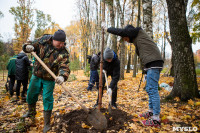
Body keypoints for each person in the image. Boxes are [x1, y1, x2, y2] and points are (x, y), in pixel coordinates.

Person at [104, 24, 164, 127]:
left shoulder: (136, 32)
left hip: (154, 62)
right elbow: (143, 55)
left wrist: (107, 29)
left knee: (153, 89)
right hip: (151, 63)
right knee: (149, 89)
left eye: (125, 38)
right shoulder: (138, 40)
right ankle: (151, 111)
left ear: (128, 34)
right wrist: (145, 71)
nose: (125, 40)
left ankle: (156, 118)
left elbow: (121, 32)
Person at [22, 29, 70, 133]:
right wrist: (27, 47)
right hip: (37, 74)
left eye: (63, 43)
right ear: (53, 39)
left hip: (49, 79)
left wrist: (62, 76)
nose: (61, 45)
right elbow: (30, 44)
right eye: (59, 42)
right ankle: (31, 112)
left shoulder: (63, 52)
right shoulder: (44, 40)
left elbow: (65, 67)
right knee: (31, 94)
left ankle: (47, 124)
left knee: (47, 98)